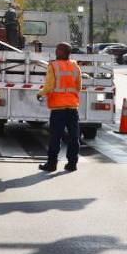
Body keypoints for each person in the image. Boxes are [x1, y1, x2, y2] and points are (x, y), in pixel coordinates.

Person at [38, 41, 82, 173]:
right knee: (74, 137)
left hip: (58, 108)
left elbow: (49, 86)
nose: (56, 52)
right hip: (72, 108)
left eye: (58, 49)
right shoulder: (75, 67)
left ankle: (52, 164)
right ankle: (72, 164)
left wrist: (40, 94)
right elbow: (79, 87)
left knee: (55, 137)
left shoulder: (53, 66)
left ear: (63, 52)